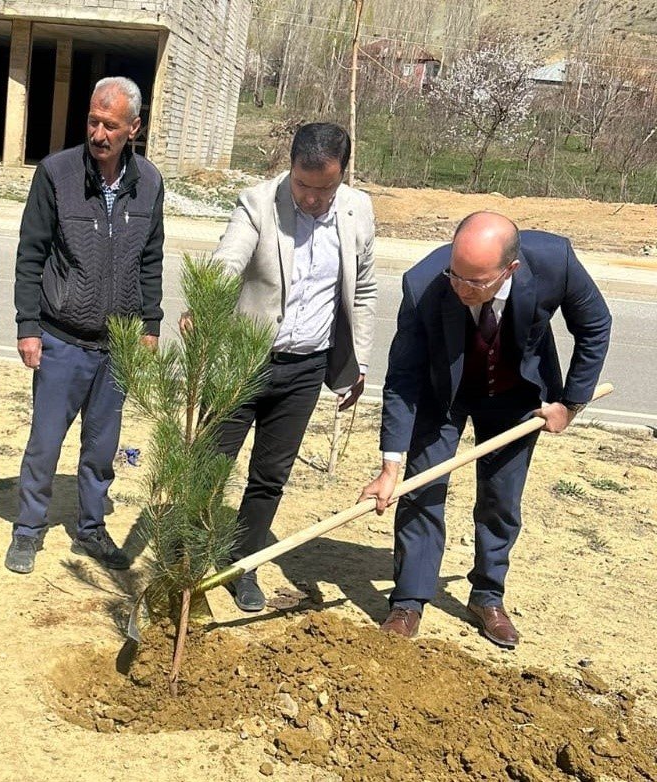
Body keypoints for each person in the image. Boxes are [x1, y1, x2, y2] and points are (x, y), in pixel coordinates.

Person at [359, 212, 611, 647]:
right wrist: (390, 464)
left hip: (516, 396)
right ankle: (408, 600)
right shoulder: (423, 283)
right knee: (422, 490)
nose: (459, 288)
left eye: (474, 283)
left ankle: (487, 596)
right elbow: (402, 378)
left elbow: (595, 326)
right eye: (454, 274)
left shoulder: (555, 261)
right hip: (443, 396)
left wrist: (570, 404)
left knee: (501, 499)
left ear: (510, 269)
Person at [205, 122, 376, 611]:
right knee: (211, 465)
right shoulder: (258, 203)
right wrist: (208, 303)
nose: (314, 198)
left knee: (269, 476)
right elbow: (227, 261)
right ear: (291, 167)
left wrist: (358, 359)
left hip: (305, 368)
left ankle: (244, 564)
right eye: (304, 185)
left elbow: (363, 291)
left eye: (326, 187)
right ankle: (192, 556)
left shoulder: (357, 209)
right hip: (243, 360)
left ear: (343, 174)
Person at [5, 76, 165, 575]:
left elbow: (151, 260)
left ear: (133, 128)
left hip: (116, 347)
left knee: (102, 449)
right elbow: (31, 254)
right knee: (45, 443)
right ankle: (28, 530)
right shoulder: (55, 174)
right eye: (93, 121)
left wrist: (150, 323)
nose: (99, 133)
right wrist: (28, 325)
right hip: (61, 338)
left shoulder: (151, 183)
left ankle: (91, 530)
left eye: (110, 125)